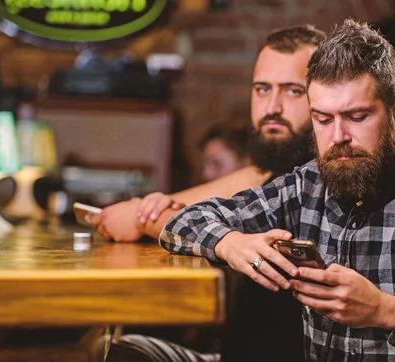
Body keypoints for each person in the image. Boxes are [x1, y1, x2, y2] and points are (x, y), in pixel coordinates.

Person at [160, 19, 395, 361]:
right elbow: (183, 221)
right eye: (322, 119)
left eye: (357, 117)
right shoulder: (306, 185)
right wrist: (232, 243)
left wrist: (386, 311)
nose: (338, 138)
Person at [97, 24, 327, 362]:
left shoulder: (316, 182)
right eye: (262, 89)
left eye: (293, 91)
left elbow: (145, 219)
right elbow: (186, 208)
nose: (272, 107)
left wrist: (146, 216)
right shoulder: (264, 174)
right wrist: (159, 208)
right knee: (112, 347)